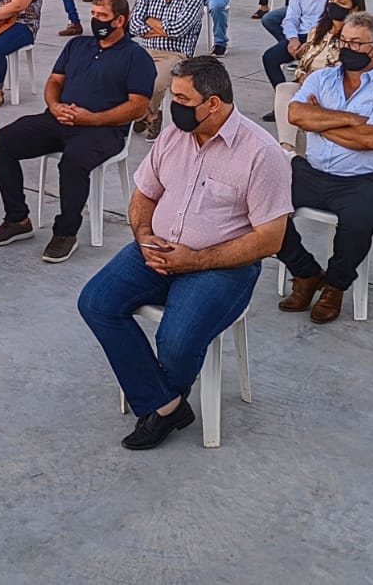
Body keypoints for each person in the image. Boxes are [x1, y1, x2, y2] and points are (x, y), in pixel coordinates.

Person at [77, 56, 291, 450]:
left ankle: (158, 406)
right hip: (157, 248)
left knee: (175, 342)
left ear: (213, 103)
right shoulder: (174, 135)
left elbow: (270, 239)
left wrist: (196, 260)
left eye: (181, 99)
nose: (171, 106)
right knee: (95, 302)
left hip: (222, 265)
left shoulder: (261, 153)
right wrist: (144, 236)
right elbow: (144, 195)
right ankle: (167, 404)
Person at [0, 0, 156, 265]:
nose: (96, 21)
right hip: (60, 119)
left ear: (120, 20)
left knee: (73, 162)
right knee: (2, 142)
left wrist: (94, 119)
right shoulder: (78, 45)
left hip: (104, 129)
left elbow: (138, 106)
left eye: (103, 16)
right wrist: (54, 106)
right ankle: (17, 219)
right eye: (93, 14)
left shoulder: (136, 57)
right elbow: (55, 81)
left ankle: (66, 232)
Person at [277, 11, 373, 323]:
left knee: (358, 222)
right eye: (344, 41)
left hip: (363, 180)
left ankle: (335, 287)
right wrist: (351, 120)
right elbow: (295, 115)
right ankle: (306, 272)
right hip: (312, 171)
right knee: (263, 204)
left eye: (356, 43)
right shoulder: (321, 78)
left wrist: (320, 122)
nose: (347, 48)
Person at [270, 0, 366, 147]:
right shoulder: (317, 31)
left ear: (354, 9)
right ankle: (287, 147)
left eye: (341, 3)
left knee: (297, 101)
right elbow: (302, 64)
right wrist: (303, 77)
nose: (333, 5)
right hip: (307, 84)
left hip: (333, 88)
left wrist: (317, 79)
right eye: (331, 0)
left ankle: (291, 149)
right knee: (285, 89)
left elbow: (349, 71)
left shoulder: (354, 38)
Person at [130, 0, 206, 141]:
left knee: (155, 83)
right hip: (146, 48)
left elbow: (178, 30)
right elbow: (135, 24)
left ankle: (143, 114)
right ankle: (147, 114)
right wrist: (162, 27)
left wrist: (150, 21)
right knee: (120, 74)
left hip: (175, 53)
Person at [262, 0, 356, 91]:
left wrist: (313, 43)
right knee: (269, 58)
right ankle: (283, 94)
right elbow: (291, 18)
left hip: (325, 38)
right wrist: (293, 40)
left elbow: (340, 23)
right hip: (301, 35)